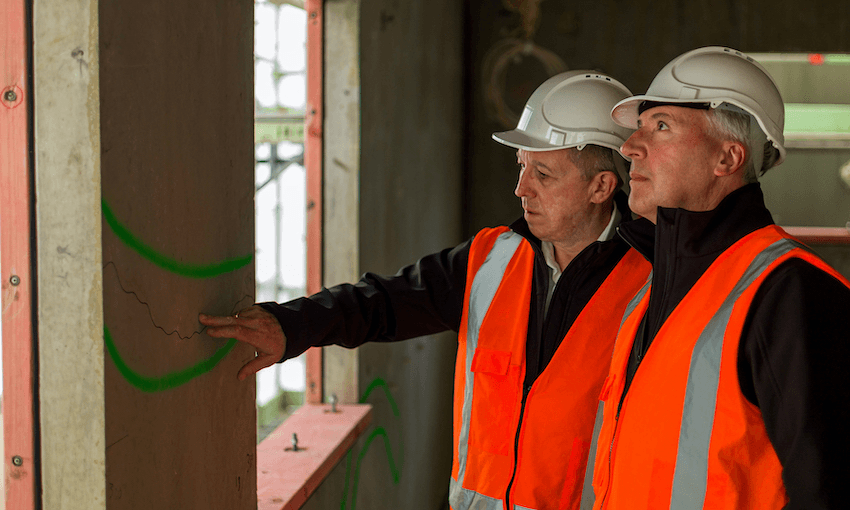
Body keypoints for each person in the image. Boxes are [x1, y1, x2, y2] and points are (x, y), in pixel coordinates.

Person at [201, 70, 651, 510]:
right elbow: (381, 302)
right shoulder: (490, 260)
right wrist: (292, 325)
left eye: (544, 175)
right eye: (522, 167)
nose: (520, 189)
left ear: (601, 186)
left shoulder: (653, 285)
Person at [588, 46, 850, 510]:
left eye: (662, 126)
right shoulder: (653, 294)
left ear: (728, 159)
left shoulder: (792, 292)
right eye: (639, 127)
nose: (628, 146)